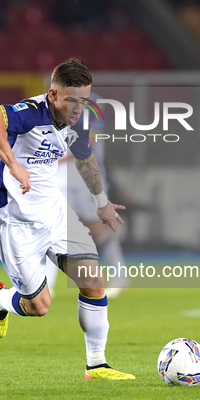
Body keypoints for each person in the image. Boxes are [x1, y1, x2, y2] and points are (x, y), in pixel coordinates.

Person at [0, 58, 134, 380]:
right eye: (72, 100)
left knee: (92, 281)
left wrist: (101, 203)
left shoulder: (78, 122)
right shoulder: (30, 113)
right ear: (52, 95)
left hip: (56, 214)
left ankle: (97, 364)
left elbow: (85, 160)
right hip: (15, 221)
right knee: (39, 306)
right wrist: (14, 165)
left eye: (84, 100)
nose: (78, 108)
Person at [48, 94, 129, 298]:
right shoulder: (52, 104)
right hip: (61, 179)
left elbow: (89, 140)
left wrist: (57, 159)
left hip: (87, 177)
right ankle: (47, 284)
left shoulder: (93, 105)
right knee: (53, 225)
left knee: (99, 228)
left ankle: (121, 275)